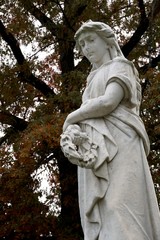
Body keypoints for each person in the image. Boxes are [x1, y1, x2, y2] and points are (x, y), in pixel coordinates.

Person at [61, 20, 160, 240]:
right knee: (105, 212)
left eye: (91, 40)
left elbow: (108, 102)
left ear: (107, 42)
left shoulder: (121, 67)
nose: (86, 48)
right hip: (97, 151)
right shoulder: (91, 79)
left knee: (120, 206)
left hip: (122, 143)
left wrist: (72, 117)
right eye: (82, 44)